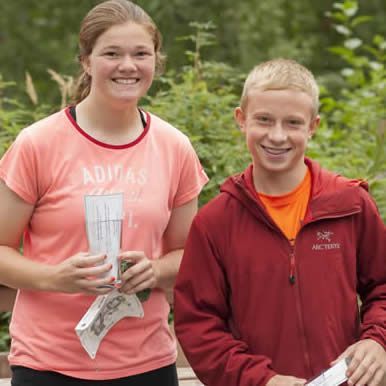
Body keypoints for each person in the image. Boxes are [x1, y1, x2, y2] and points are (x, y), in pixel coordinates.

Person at [0, 0, 208, 385]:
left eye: (140, 54)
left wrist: (155, 270)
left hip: (146, 363)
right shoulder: (38, 144)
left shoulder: (174, 147)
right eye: (111, 53)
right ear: (86, 61)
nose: (127, 65)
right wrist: (55, 278)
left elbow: (189, 254)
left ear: (155, 62)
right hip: (49, 364)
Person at [174, 58, 386, 386]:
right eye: (264, 120)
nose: (277, 136)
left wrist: (377, 340)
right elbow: (198, 325)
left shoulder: (350, 204)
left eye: (292, 123)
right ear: (241, 120)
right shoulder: (215, 223)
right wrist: (262, 380)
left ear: (313, 126)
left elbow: (382, 286)